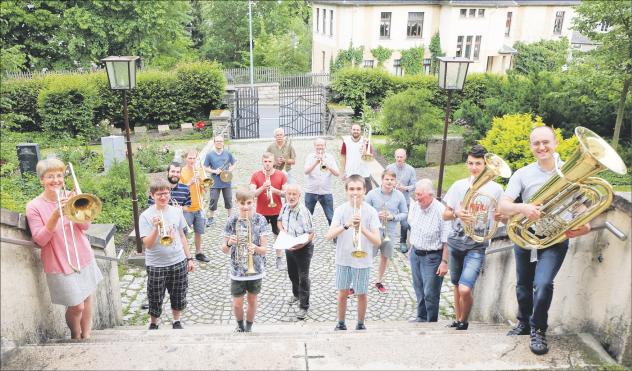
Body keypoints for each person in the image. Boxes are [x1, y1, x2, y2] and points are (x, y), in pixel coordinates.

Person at [498, 125, 591, 355]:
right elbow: (503, 205)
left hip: (555, 240)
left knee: (543, 284)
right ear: (531, 146)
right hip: (526, 238)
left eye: (545, 142)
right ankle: (522, 323)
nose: (541, 147)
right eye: (536, 143)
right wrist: (524, 207)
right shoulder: (523, 174)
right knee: (522, 287)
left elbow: (582, 209)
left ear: (555, 143)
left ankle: (538, 329)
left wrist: (583, 227)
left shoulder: (572, 172)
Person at [26, 158, 104, 339]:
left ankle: (87, 336)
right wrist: (55, 216)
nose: (56, 180)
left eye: (59, 175)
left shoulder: (71, 197)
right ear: (41, 180)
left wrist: (77, 208)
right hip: (59, 261)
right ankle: (75, 336)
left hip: (83, 256)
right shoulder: (34, 206)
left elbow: (85, 228)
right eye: (50, 176)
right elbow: (41, 240)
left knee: (87, 298)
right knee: (77, 306)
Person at [442, 145, 504, 330]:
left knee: (465, 287)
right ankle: (458, 319)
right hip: (456, 242)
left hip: (477, 245)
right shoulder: (459, 185)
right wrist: (457, 213)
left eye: (478, 163)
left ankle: (464, 320)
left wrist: (502, 216)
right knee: (455, 284)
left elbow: (503, 215)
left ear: (485, 164)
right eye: (470, 163)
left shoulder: (496, 189)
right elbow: (445, 214)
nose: (474, 167)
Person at [326, 175, 381, 331]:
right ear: (346, 191)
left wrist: (362, 228)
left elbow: (377, 241)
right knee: (342, 292)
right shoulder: (340, 210)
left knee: (361, 293)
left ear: (364, 190)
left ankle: (360, 323)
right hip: (343, 259)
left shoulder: (370, 212)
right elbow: (329, 235)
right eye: (351, 189)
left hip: (362, 260)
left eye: (358, 189)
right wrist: (347, 225)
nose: (355, 192)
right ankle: (341, 322)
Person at [139, 179, 195, 330]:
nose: (163, 197)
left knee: (179, 293)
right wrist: (156, 229)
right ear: (152, 195)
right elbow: (148, 245)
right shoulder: (145, 216)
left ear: (169, 193)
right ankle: (154, 322)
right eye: (159, 194)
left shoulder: (177, 211)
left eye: (166, 193)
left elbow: (182, 236)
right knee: (155, 296)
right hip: (156, 264)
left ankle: (176, 321)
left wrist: (189, 258)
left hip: (178, 260)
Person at [221, 187, 270, 332]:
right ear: (236, 203)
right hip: (237, 270)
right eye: (242, 203)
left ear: (254, 201)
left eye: (249, 203)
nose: (246, 207)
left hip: (256, 268)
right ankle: (240, 325)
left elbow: (264, 249)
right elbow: (224, 249)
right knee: (237, 303)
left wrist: (255, 248)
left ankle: (248, 327)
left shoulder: (260, 220)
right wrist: (229, 242)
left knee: (252, 300)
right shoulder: (232, 220)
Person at [407, 179, 450, 323]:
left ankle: (431, 322)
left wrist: (444, 262)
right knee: (418, 288)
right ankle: (421, 316)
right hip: (415, 254)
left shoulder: (441, 212)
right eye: (416, 194)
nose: (417, 198)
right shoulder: (415, 206)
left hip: (432, 257)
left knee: (430, 293)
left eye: (420, 195)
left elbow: (447, 240)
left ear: (430, 194)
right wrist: (411, 248)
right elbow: (413, 227)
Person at [365, 169, 408, 294]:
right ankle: (361, 280)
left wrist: (393, 217)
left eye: (392, 180)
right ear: (382, 180)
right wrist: (375, 215)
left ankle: (379, 281)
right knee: (368, 256)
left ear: (395, 181)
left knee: (385, 257)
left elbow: (405, 213)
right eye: (387, 179)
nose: (389, 182)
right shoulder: (372, 194)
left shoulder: (399, 196)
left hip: (390, 231)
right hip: (374, 231)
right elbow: (364, 212)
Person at [278, 184, 315, 320]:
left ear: (299, 196)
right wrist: (283, 232)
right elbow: (279, 222)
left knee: (303, 277)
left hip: (303, 248)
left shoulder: (303, 212)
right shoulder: (285, 206)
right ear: (286, 195)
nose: (291, 197)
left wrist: (298, 246)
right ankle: (296, 294)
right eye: (289, 194)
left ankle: (304, 306)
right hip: (289, 245)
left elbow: (311, 234)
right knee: (292, 273)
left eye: (294, 194)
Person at [250, 152, 288, 270]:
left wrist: (273, 190)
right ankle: (261, 258)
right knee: (261, 236)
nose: (267, 164)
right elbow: (251, 194)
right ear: (262, 162)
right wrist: (263, 188)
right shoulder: (256, 175)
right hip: (261, 212)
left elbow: (285, 194)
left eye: (270, 161)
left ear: (274, 162)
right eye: (265, 162)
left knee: (278, 235)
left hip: (277, 211)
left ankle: (279, 259)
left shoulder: (281, 175)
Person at [179, 149, 211, 263]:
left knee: (199, 232)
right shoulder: (181, 172)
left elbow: (206, 189)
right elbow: (180, 191)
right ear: (185, 159)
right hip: (187, 208)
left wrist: (202, 180)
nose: (192, 160)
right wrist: (190, 182)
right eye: (190, 158)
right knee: (184, 234)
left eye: (194, 158)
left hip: (199, 207)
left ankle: (198, 253)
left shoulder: (200, 171)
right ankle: (184, 255)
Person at [386, 148, 417, 253]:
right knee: (388, 220)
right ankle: (387, 241)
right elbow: (384, 181)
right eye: (397, 157)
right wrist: (391, 184)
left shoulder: (411, 169)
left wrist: (405, 188)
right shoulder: (389, 168)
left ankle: (403, 242)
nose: (399, 159)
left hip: (404, 200)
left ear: (405, 157)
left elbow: (414, 186)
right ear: (395, 157)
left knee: (404, 223)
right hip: (391, 199)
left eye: (401, 157)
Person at [303, 138, 339, 225]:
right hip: (311, 192)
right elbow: (306, 172)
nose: (320, 147)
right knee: (307, 217)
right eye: (318, 145)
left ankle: (335, 237)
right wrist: (316, 162)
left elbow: (337, 173)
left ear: (325, 146)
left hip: (326, 192)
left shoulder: (330, 157)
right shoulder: (310, 157)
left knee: (330, 217)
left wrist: (328, 167)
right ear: (314, 146)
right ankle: (307, 238)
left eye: (322, 145)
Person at [203, 135, 237, 226]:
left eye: (221, 141)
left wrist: (230, 170)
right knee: (213, 199)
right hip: (215, 181)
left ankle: (230, 218)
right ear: (214, 143)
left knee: (228, 199)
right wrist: (214, 171)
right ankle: (210, 218)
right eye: (217, 141)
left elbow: (234, 163)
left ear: (223, 143)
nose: (219, 143)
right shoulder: (209, 155)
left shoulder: (228, 153)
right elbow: (205, 167)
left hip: (226, 181)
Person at [340, 124, 373, 193]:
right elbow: (343, 157)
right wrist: (343, 172)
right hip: (350, 173)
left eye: (358, 130)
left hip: (364, 173)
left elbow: (369, 158)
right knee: (352, 195)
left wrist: (365, 146)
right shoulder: (346, 141)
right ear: (351, 130)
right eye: (354, 129)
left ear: (360, 131)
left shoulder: (366, 141)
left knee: (368, 195)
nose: (356, 131)